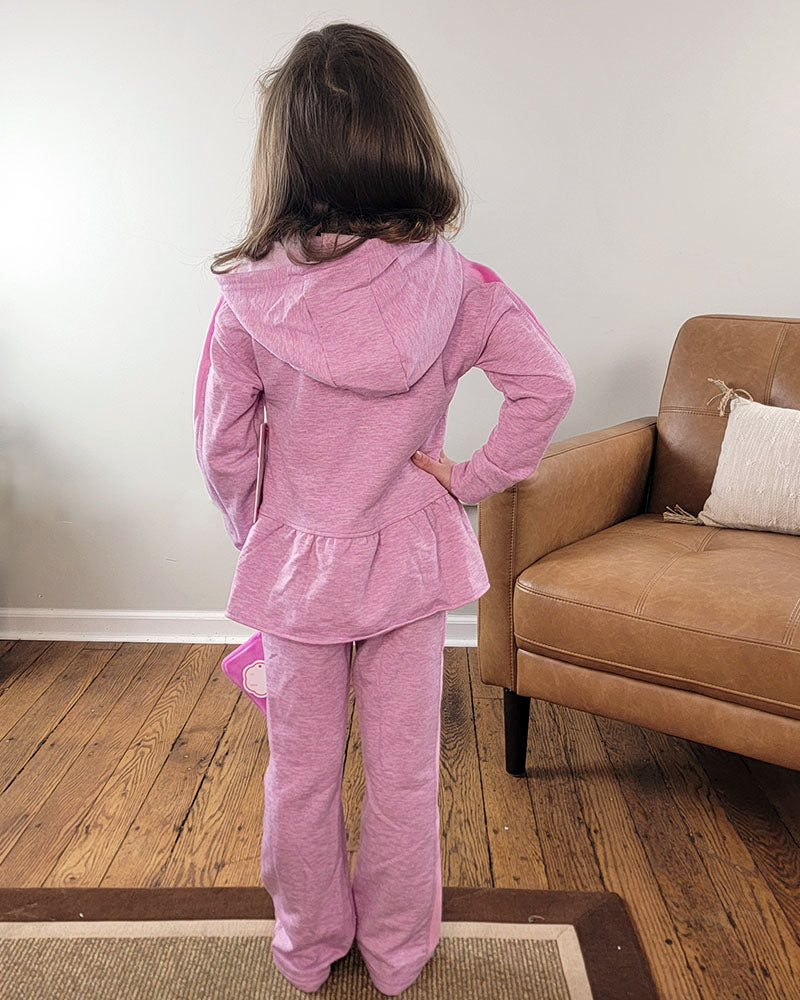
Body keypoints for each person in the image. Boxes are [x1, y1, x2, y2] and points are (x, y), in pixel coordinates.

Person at [193, 20, 576, 997]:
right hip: (411, 563)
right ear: (405, 135)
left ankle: (306, 946)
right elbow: (546, 385)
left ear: (287, 151)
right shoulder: (459, 283)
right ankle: (401, 954)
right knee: (404, 775)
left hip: (299, 569)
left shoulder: (248, 301)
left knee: (302, 771)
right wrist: (471, 479)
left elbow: (223, 449)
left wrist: (257, 533)